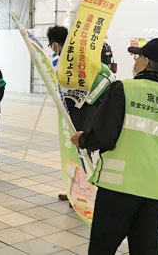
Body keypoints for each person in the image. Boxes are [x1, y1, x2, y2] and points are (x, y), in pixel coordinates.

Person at [71, 38, 158, 255]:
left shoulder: (124, 88)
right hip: (155, 190)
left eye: (138, 57)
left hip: (118, 187)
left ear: (147, 62)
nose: (135, 62)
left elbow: (104, 135)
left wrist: (83, 139)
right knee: (146, 250)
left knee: (103, 248)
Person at [47, 25, 115, 201]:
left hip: (91, 103)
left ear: (55, 44)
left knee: (81, 146)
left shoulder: (70, 58)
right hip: (91, 103)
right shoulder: (72, 55)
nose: (52, 50)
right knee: (80, 147)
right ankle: (78, 190)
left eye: (50, 46)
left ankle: (84, 192)